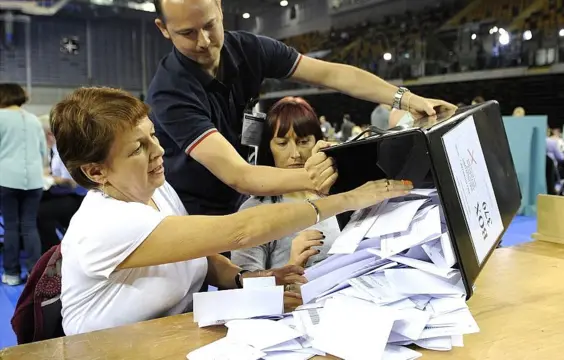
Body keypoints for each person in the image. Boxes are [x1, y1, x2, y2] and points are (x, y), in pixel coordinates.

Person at [51, 87, 412, 335]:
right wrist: (347, 197)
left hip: (163, 336)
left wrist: (246, 279)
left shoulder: (157, 191)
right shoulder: (104, 223)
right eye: (138, 149)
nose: (158, 151)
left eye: (154, 136)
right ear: (96, 171)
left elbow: (201, 255)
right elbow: (240, 231)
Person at [147, 0, 456, 218]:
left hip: (245, 196)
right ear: (163, 29)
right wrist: (334, 173)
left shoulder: (249, 49)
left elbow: (331, 74)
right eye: (187, 33)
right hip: (195, 208)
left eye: (210, 25)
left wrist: (404, 97)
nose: (204, 41)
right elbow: (239, 175)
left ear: (220, 6)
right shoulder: (170, 91)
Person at [232, 97, 341, 271]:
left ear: (317, 142)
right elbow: (248, 288)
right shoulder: (255, 211)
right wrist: (291, 267)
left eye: (303, 141)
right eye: (282, 143)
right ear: (269, 148)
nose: (295, 154)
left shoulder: (342, 196)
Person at [0, 84, 47, 286]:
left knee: (11, 226)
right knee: (29, 226)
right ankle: (34, 276)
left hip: (6, 179)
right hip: (35, 181)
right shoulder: (34, 119)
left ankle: (11, 274)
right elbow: (43, 152)